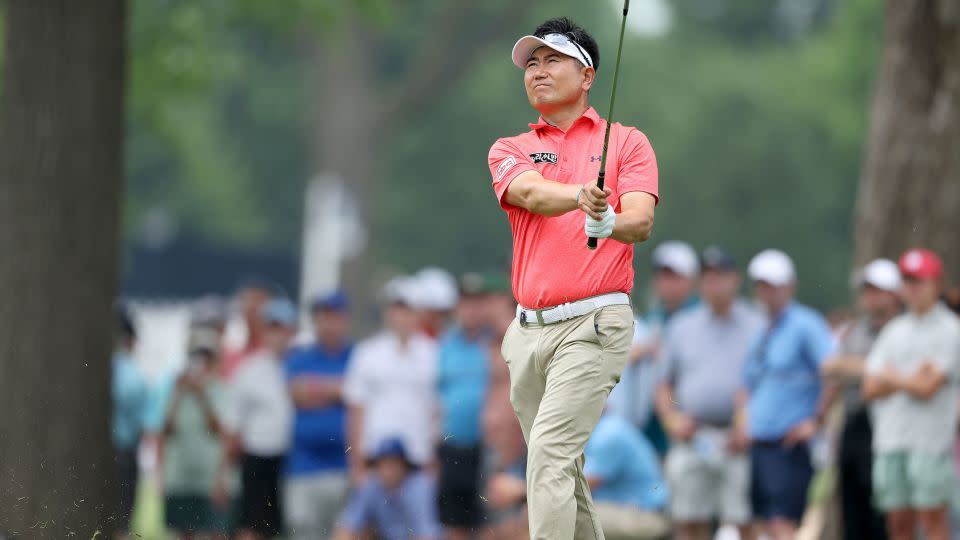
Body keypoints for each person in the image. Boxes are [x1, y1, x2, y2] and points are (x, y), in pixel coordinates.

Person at [487, 16, 658, 539]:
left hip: (594, 324)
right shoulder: (509, 148)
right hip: (527, 334)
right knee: (560, 468)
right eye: (531, 63)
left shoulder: (626, 142)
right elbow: (533, 194)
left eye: (552, 59)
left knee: (548, 454)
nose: (537, 71)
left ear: (586, 76)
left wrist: (608, 221)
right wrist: (583, 195)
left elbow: (640, 221)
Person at [654, 246, 764, 540]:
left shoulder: (756, 325)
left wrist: (750, 423)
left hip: (737, 436)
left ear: (735, 279)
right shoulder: (681, 327)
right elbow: (664, 386)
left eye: (721, 275)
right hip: (694, 435)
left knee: (742, 522)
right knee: (689, 520)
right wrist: (673, 420)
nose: (714, 283)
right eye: (708, 276)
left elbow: (764, 384)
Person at [862, 248, 960, 540]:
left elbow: (929, 388)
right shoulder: (894, 330)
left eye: (920, 281)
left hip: (929, 442)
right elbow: (869, 388)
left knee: (933, 521)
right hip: (891, 439)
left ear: (936, 284)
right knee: (898, 523)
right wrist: (911, 379)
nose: (913, 289)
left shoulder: (950, 330)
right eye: (908, 282)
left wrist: (891, 376)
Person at [740, 249, 835, 540]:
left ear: (789, 286)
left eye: (773, 285)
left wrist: (815, 421)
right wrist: (742, 423)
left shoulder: (806, 324)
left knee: (783, 525)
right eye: (762, 285)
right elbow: (747, 384)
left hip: (789, 444)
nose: (767, 292)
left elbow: (832, 371)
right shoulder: (761, 330)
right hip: (760, 443)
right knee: (762, 522)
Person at [820, 258, 902, 540]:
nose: (870, 297)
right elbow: (831, 366)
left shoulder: (903, 329)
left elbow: (896, 373)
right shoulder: (856, 330)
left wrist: (858, 367)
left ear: (894, 294)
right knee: (852, 511)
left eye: (877, 290)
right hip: (855, 423)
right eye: (867, 290)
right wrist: (873, 369)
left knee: (883, 512)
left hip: (891, 426)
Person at [608, 240, 699, 457]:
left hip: (686, 420)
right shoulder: (652, 319)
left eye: (674, 275)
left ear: (690, 280)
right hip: (651, 424)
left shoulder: (699, 316)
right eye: (663, 274)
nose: (666, 282)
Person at [343, 277, 439, 478]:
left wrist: (434, 460)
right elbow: (356, 409)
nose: (402, 316)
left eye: (408, 309)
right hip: (374, 459)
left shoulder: (433, 354)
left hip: (418, 459)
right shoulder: (366, 353)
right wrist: (356, 464)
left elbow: (435, 410)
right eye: (397, 309)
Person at [218, 298, 296, 540]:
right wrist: (221, 475)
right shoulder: (249, 370)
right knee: (252, 527)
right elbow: (233, 427)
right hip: (257, 457)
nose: (278, 336)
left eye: (282, 328)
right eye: (272, 328)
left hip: (292, 459)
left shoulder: (302, 366)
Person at [283, 291, 353, 540]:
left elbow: (356, 392)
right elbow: (296, 393)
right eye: (323, 316)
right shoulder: (300, 357)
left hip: (346, 467)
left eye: (334, 316)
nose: (329, 323)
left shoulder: (358, 356)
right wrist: (339, 389)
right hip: (304, 467)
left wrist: (316, 388)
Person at [161, 327, 233, 540]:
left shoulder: (222, 390)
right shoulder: (175, 390)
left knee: (214, 532)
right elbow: (166, 429)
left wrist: (202, 396)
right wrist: (178, 394)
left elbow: (221, 430)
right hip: (180, 479)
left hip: (209, 481)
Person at [436, 274, 492, 539]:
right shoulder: (445, 345)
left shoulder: (495, 343)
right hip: (452, 448)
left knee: (489, 524)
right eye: (466, 303)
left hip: (487, 449)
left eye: (477, 303)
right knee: (454, 523)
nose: (471, 310)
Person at [583, 411, 671, 540]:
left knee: (570, 515)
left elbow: (582, 487)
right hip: (634, 509)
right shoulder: (607, 426)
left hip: (646, 516)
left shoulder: (609, 433)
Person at [333, 438, 442, 540]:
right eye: (384, 464)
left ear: (405, 466)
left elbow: (428, 535)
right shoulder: (371, 484)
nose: (389, 471)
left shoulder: (420, 487)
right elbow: (347, 527)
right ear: (377, 467)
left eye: (394, 464)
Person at [112, 305, 151, 540]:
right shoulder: (133, 375)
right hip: (124, 452)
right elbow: (144, 425)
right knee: (121, 521)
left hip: (107, 451)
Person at [221, 279, 273, 380]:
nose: (251, 306)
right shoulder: (229, 354)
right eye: (245, 300)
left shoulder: (279, 353)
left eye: (258, 300)